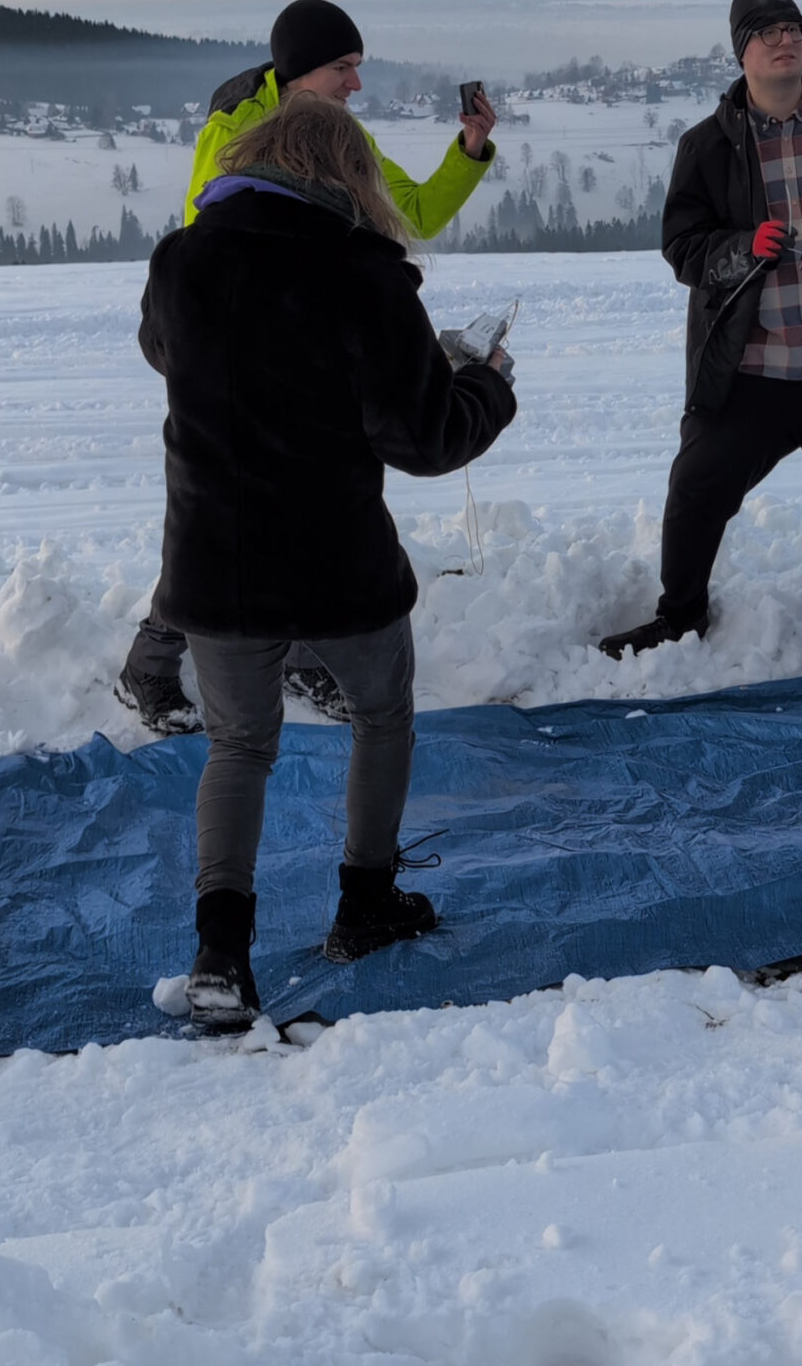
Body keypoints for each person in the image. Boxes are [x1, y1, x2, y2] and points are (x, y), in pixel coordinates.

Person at [138, 93, 517, 1029]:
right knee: (382, 720)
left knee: (238, 747)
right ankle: (365, 904)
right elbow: (427, 441)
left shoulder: (183, 260)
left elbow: (164, 353)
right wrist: (486, 386)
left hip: (214, 564)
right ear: (349, 177)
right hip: (336, 562)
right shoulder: (366, 277)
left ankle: (220, 954)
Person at [115, 0, 499, 736]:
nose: (356, 84)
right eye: (343, 67)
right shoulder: (234, 131)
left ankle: (295, 658)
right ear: (298, 73)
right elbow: (206, 252)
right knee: (223, 526)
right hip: (236, 371)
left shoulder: (333, 132)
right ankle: (150, 665)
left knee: (284, 522)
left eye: (356, 67)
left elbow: (408, 215)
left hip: (304, 356)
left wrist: (470, 150)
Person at [598, 0, 802, 669]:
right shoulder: (707, 145)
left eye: (792, 27)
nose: (783, 40)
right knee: (694, 491)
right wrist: (740, 249)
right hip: (751, 368)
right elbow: (683, 245)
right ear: (740, 50)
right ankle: (679, 616)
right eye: (765, 32)